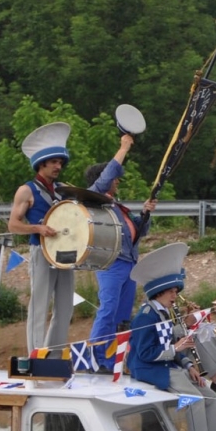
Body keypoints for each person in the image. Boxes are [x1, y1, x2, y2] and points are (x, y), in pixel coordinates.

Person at [127, 242, 216, 431]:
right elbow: (145, 353)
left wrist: (188, 364)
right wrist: (176, 349)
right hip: (149, 368)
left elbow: (171, 341)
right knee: (194, 399)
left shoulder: (162, 312)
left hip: (168, 364)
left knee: (210, 396)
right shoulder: (146, 317)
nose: (176, 296)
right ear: (160, 291)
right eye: (173, 292)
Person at [84, 133, 157, 372]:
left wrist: (145, 214)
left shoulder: (116, 207)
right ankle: (96, 358)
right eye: (115, 178)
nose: (117, 182)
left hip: (128, 263)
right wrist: (123, 148)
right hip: (111, 262)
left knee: (122, 315)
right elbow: (104, 179)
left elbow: (137, 232)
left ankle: (113, 360)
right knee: (108, 310)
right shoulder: (93, 198)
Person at [7, 122, 75, 353]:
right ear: (41, 163)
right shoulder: (26, 190)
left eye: (60, 162)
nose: (58, 166)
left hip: (65, 253)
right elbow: (13, 225)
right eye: (54, 162)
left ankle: (54, 356)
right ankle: (36, 355)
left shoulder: (63, 188)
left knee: (66, 308)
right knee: (38, 307)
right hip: (41, 251)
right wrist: (38, 229)